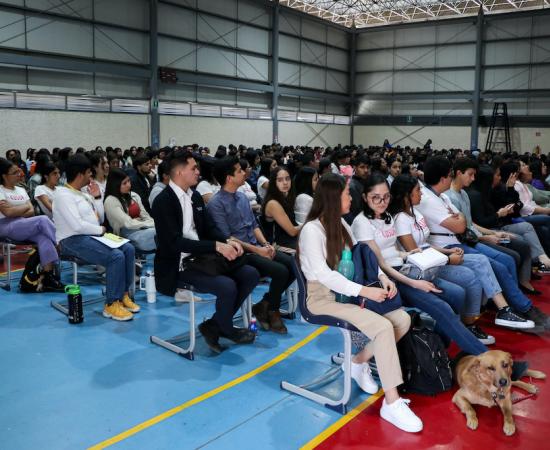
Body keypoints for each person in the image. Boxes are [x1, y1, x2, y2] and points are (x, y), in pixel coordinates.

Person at [299, 173, 423, 433]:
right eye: (347, 194)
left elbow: (362, 258)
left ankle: (357, 362)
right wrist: (364, 291)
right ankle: (392, 402)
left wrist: (381, 277)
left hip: (346, 293)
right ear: (334, 198)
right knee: (382, 326)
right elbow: (324, 275)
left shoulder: (341, 225)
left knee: (402, 319)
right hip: (321, 299)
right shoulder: (312, 230)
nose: (351, 198)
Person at [352, 173, 493, 353]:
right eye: (376, 197)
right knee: (441, 306)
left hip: (405, 268)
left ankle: (437, 349)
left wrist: (409, 253)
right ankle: (484, 355)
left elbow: (392, 251)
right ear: (365, 197)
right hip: (387, 278)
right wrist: (414, 282)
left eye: (386, 196)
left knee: (457, 294)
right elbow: (381, 264)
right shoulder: (362, 223)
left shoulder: (385, 216)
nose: (382, 201)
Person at [416, 156, 546, 330]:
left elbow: (463, 222)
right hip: (451, 246)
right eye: (450, 174)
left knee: (507, 258)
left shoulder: (444, 197)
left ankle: (518, 306)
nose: (472, 179)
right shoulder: (430, 199)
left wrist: (464, 221)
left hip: (460, 241)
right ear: (443, 178)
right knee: (497, 261)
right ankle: (516, 308)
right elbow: (461, 225)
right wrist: (464, 222)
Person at [151, 150, 258, 353]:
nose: (198, 172)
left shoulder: (196, 197)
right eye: (194, 168)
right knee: (226, 286)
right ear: (180, 172)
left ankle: (215, 325)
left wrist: (227, 240)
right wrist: (216, 246)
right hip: (179, 264)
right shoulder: (163, 202)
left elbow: (209, 229)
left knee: (250, 274)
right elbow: (174, 243)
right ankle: (224, 328)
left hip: (203, 258)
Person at [389, 174, 496, 344]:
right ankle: (452, 332)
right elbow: (415, 254)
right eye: (418, 191)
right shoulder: (401, 219)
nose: (421, 194)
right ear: (407, 195)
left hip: (432, 260)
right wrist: (447, 259)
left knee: (474, 270)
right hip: (419, 269)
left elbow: (424, 244)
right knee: (467, 280)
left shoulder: (415, 212)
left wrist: (445, 252)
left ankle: (466, 324)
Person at [207, 156, 295, 334]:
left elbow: (254, 225)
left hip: (257, 247)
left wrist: (266, 244)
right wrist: (258, 250)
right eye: (239, 170)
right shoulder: (216, 204)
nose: (244, 172)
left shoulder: (241, 197)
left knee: (294, 265)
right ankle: (272, 310)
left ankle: (264, 304)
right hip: (242, 254)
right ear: (229, 178)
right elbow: (228, 238)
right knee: (280, 271)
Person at [53, 154, 137, 321]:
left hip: (90, 236)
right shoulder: (63, 195)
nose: (91, 176)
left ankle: (123, 295)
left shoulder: (82, 193)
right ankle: (111, 304)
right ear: (80, 174)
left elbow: (97, 217)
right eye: (89, 173)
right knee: (115, 256)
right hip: (70, 241)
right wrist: (100, 230)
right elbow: (77, 226)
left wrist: (97, 198)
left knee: (128, 248)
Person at [446, 158, 535, 295]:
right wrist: (489, 235)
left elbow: (471, 224)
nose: (473, 178)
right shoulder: (451, 197)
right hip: (468, 241)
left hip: (476, 236)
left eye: (474, 175)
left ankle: (515, 293)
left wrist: (492, 234)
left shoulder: (464, 193)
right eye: (470, 174)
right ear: (458, 173)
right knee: (510, 257)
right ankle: (514, 296)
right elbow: (465, 230)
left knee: (514, 252)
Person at [467, 164, 550, 289]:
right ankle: (527, 275)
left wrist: (510, 190)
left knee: (530, 228)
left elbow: (516, 204)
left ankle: (534, 268)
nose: (499, 178)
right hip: (494, 229)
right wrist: (499, 214)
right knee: (523, 240)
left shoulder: (493, 190)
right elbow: (483, 222)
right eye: (497, 175)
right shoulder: (477, 195)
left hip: (502, 225)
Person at [0, 158, 62, 291]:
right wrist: (21, 209)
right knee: (43, 220)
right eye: (14, 173)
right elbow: (7, 212)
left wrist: (14, 209)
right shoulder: (0, 190)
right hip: (5, 226)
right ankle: (60, 244)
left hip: (23, 224)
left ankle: (48, 277)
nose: (18, 175)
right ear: (4, 176)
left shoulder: (21, 189)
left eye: (18, 172)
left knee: (43, 237)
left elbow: (31, 210)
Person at [104, 168, 156, 252]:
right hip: (125, 234)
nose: (128, 185)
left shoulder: (134, 195)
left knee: (162, 230)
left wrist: (152, 223)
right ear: (115, 185)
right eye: (124, 183)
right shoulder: (110, 200)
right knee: (159, 232)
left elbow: (145, 215)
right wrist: (150, 224)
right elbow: (128, 223)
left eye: (128, 181)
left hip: (142, 227)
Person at [261, 166, 300, 251]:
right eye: (280, 180)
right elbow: (292, 231)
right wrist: (308, 223)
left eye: (287, 179)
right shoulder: (273, 204)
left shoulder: (285, 196)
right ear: (273, 183)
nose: (285, 183)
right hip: (278, 244)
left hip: (289, 239)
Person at [347, 154, 370, 222]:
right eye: (362, 167)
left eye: (367, 167)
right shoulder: (352, 187)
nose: (366, 170)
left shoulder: (367, 180)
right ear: (354, 167)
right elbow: (357, 211)